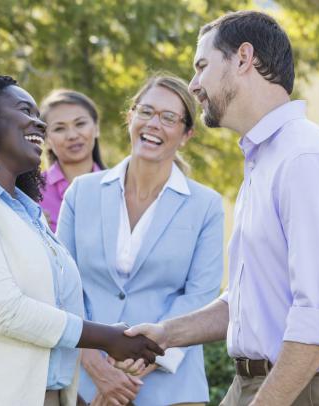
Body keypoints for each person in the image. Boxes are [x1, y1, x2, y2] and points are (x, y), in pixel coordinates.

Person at [119, 10, 319, 405]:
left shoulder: (305, 159)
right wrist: (167, 334)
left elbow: (317, 318)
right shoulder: (265, 160)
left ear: (243, 58)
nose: (193, 84)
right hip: (262, 385)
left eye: (201, 66)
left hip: (307, 388)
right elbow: (249, 300)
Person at [0, 70, 164, 406]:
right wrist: (105, 337)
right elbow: (1, 307)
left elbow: (49, 312)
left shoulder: (28, 214)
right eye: (25, 111)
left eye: (39, 116)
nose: (39, 124)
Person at [57, 75, 223, 406]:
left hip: (170, 387)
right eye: (146, 111)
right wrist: (93, 362)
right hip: (85, 382)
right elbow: (62, 282)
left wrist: (132, 367)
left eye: (169, 118)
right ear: (130, 116)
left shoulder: (206, 205)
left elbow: (199, 296)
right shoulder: (82, 193)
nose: (153, 124)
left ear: (186, 133)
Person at [39, 89, 106, 231]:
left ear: (96, 128)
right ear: (47, 140)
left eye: (80, 124)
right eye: (59, 128)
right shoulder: (31, 193)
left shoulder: (121, 187)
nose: (72, 135)